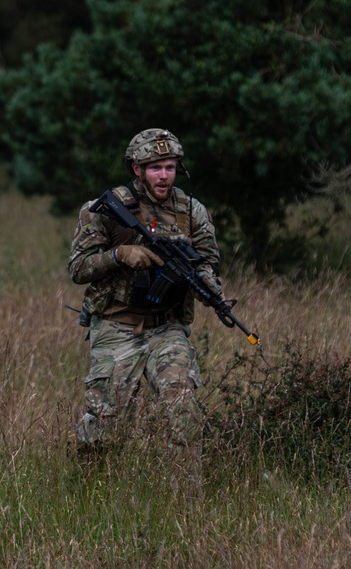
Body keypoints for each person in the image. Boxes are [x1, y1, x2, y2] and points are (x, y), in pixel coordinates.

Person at [68, 128, 221, 466]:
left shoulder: (191, 211)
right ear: (137, 169)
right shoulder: (104, 209)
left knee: (183, 408)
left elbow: (208, 260)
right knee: (107, 428)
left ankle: (187, 501)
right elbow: (78, 267)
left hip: (167, 328)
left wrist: (209, 284)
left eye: (169, 166)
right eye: (155, 168)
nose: (164, 175)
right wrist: (119, 256)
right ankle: (88, 491)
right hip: (115, 325)